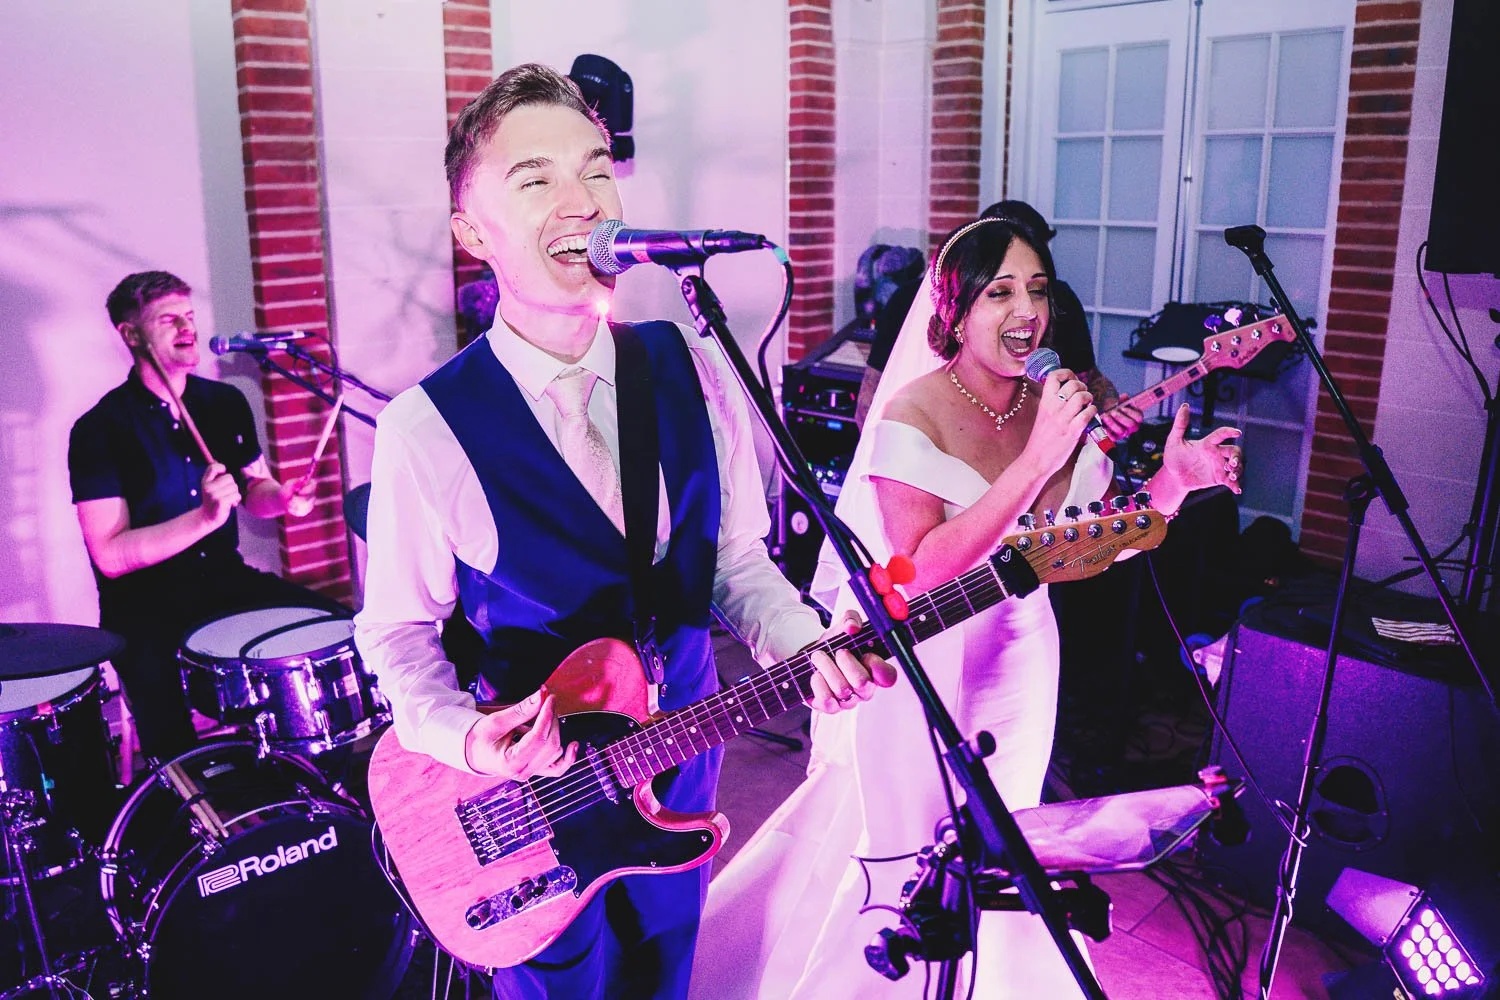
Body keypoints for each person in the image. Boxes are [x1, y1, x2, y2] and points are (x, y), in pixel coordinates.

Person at [352, 63, 893, 1000]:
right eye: (536, 179)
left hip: (685, 752)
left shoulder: (693, 369)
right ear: (470, 232)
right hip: (528, 801)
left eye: (597, 171)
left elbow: (735, 563)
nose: (581, 200)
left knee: (662, 974)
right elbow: (396, 634)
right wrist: (469, 743)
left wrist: (807, 645)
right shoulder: (423, 427)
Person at [691, 217, 1242, 998]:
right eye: (1001, 292)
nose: (1027, 312)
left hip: (1021, 653)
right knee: (909, 845)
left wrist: (1170, 491)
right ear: (953, 310)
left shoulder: (1052, 408)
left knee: (999, 833)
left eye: (1039, 291)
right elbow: (922, 569)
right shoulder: (913, 410)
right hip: (920, 659)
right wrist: (1039, 460)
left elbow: (1076, 548)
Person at [68, 270, 337, 761]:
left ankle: (311, 785)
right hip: (143, 604)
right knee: (167, 723)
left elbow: (254, 488)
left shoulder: (224, 403)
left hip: (223, 581)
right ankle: (192, 816)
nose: (187, 327)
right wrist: (205, 518)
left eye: (189, 316)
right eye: (168, 319)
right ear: (131, 334)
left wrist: (284, 498)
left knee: (336, 626)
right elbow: (109, 555)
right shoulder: (98, 430)